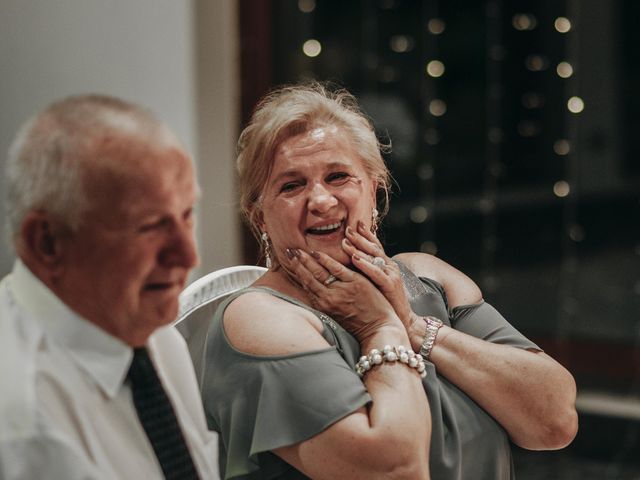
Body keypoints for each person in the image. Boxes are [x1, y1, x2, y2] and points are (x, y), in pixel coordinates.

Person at [195, 83, 578, 479]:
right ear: (260, 218)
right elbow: (394, 471)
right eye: (291, 186)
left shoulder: (428, 278)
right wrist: (378, 327)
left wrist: (413, 326)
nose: (321, 201)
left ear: (374, 192)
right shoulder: (260, 317)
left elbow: (555, 420)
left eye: (338, 176)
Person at [0, 95, 220, 479]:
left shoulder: (153, 334)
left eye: (187, 216)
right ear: (47, 243)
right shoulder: (24, 428)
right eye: (151, 226)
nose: (188, 256)